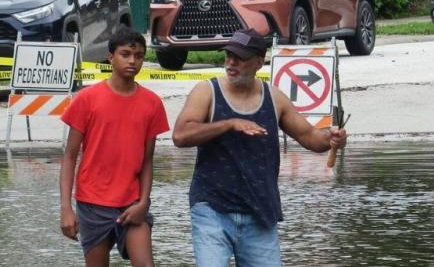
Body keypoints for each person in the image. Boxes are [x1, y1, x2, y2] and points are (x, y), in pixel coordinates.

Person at [172, 28, 347, 267]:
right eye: (228, 55)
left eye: (240, 57)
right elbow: (180, 136)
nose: (231, 62)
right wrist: (229, 124)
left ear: (258, 62)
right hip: (212, 208)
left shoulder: (275, 98)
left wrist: (331, 138)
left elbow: (311, 138)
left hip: (260, 211)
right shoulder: (206, 91)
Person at [59, 28, 170, 266]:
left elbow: (147, 161)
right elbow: (69, 157)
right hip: (93, 203)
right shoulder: (87, 99)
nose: (132, 61)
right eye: (126, 54)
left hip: (132, 203)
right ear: (110, 57)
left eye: (139, 55)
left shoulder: (152, 103)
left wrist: (144, 203)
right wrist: (66, 208)